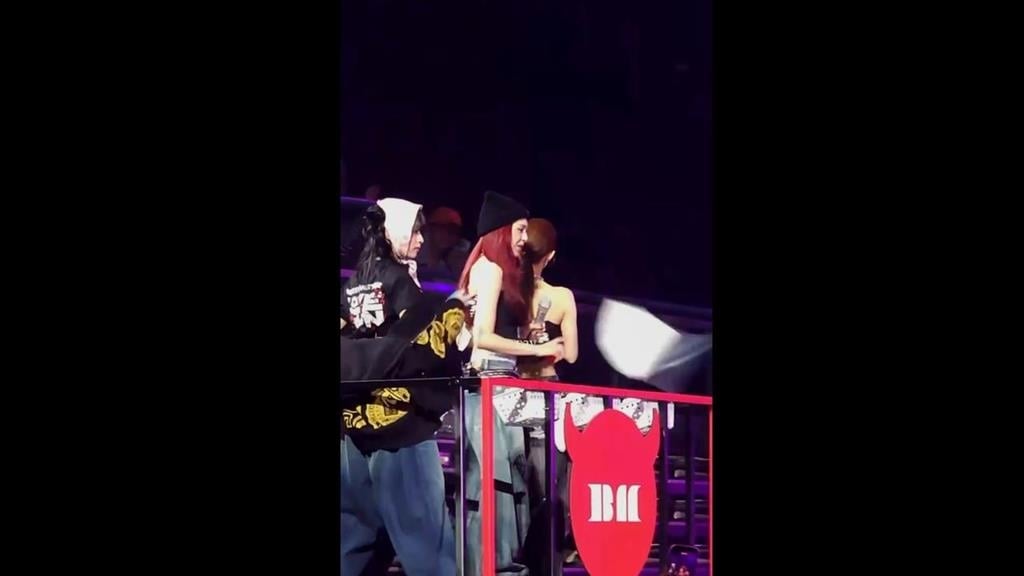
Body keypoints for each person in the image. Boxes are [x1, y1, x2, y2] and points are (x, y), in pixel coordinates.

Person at [340, 197, 472, 576]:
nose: (420, 240)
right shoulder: (399, 280)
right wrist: (454, 311)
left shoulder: (353, 284)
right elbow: (419, 345)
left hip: (352, 428)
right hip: (401, 427)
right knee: (427, 543)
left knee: (355, 544)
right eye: (414, 232)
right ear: (394, 233)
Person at [458, 191, 564, 575]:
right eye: (519, 230)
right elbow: (483, 336)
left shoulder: (497, 271)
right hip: (488, 387)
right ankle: (492, 566)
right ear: (501, 231)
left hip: (504, 388)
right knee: (495, 487)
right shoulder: (489, 269)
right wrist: (535, 347)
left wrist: (527, 341)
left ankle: (502, 564)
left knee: (508, 485)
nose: (524, 238)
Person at [416, 206, 471, 282]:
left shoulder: (454, 259)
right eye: (443, 228)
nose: (449, 234)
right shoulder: (413, 252)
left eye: (454, 230)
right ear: (430, 228)